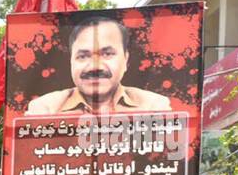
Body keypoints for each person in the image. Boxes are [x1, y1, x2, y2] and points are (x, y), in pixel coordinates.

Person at [25, 13, 172, 115]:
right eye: (83, 56)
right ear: (71, 62)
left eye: (107, 54)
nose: (95, 66)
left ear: (126, 60)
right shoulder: (45, 109)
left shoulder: (153, 106)